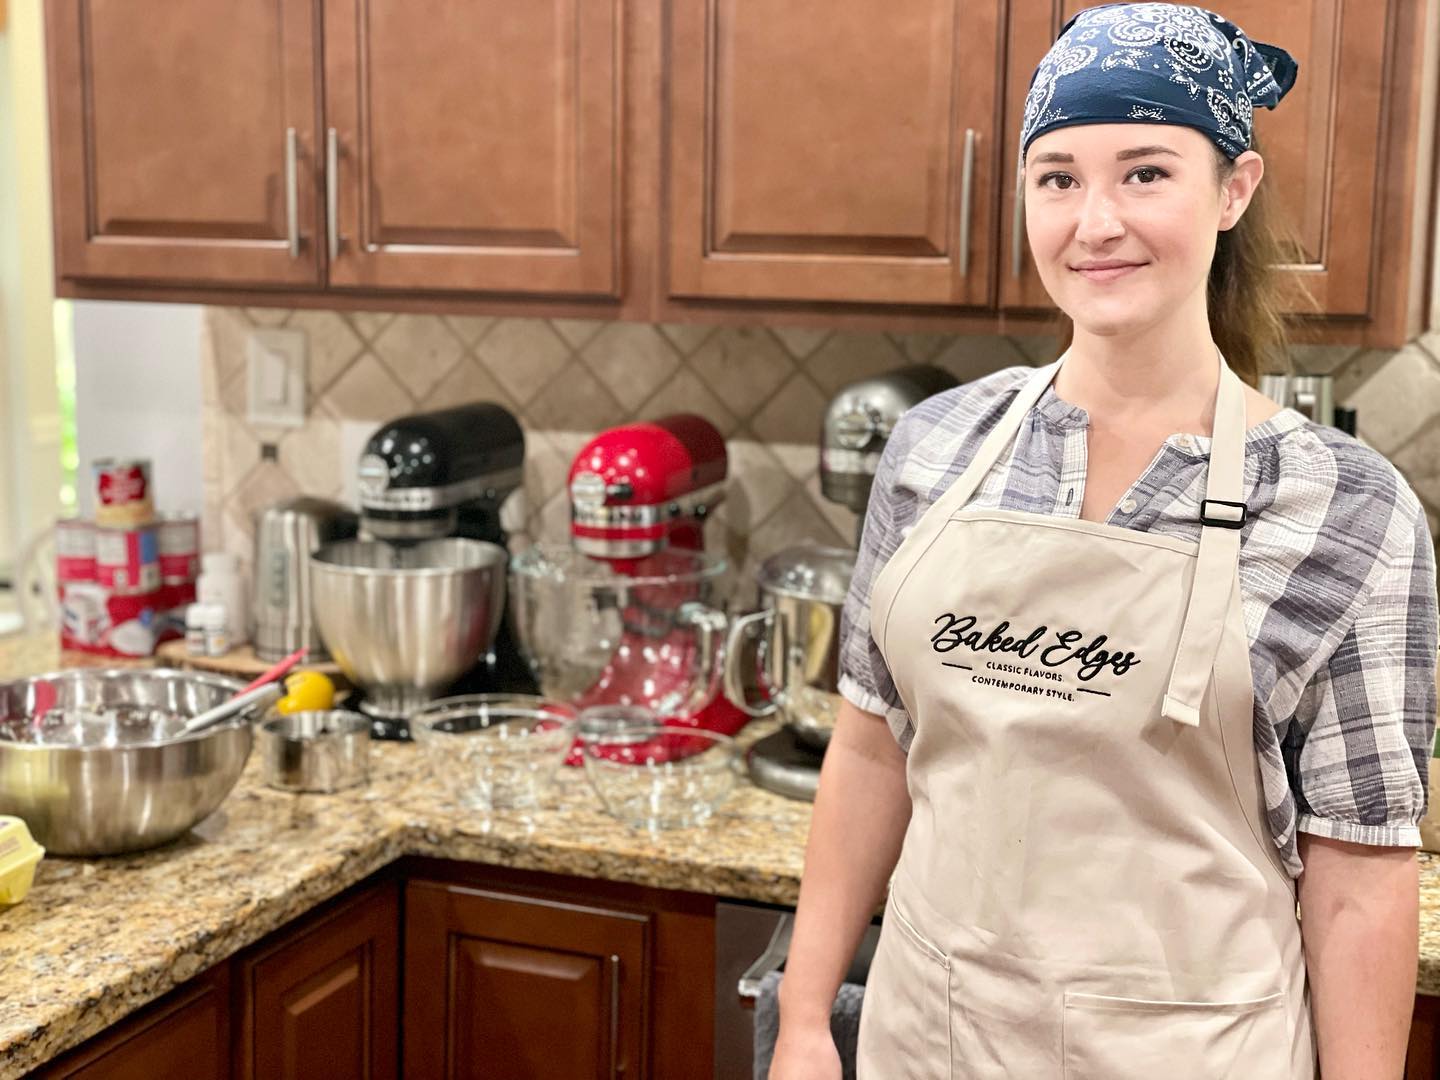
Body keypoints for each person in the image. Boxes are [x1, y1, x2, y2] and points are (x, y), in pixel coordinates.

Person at [767, 4, 1438, 1078]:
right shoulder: (936, 449)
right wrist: (805, 1018)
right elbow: (870, 747)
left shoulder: (1345, 509)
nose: (1095, 222)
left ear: (1233, 190)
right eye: (1059, 178)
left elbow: (1360, 876)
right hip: (927, 1044)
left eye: (1145, 172)